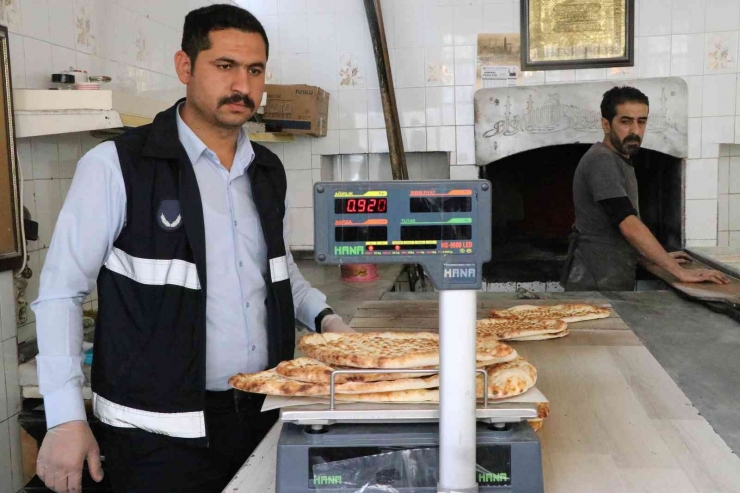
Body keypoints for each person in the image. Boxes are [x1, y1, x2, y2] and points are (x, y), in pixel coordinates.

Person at [30, 5, 354, 493]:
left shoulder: (266, 170)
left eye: (255, 70)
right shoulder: (117, 165)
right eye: (225, 66)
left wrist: (330, 322)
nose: (242, 85)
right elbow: (61, 292)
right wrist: (64, 420)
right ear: (185, 67)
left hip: (261, 412)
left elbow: (276, 265)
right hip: (154, 435)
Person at [562, 86, 729, 291]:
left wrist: (655, 257)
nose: (635, 131)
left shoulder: (617, 160)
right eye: (625, 121)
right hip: (595, 285)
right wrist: (679, 272)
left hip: (607, 279)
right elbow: (628, 224)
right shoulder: (601, 160)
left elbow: (612, 229)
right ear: (606, 124)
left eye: (641, 121)